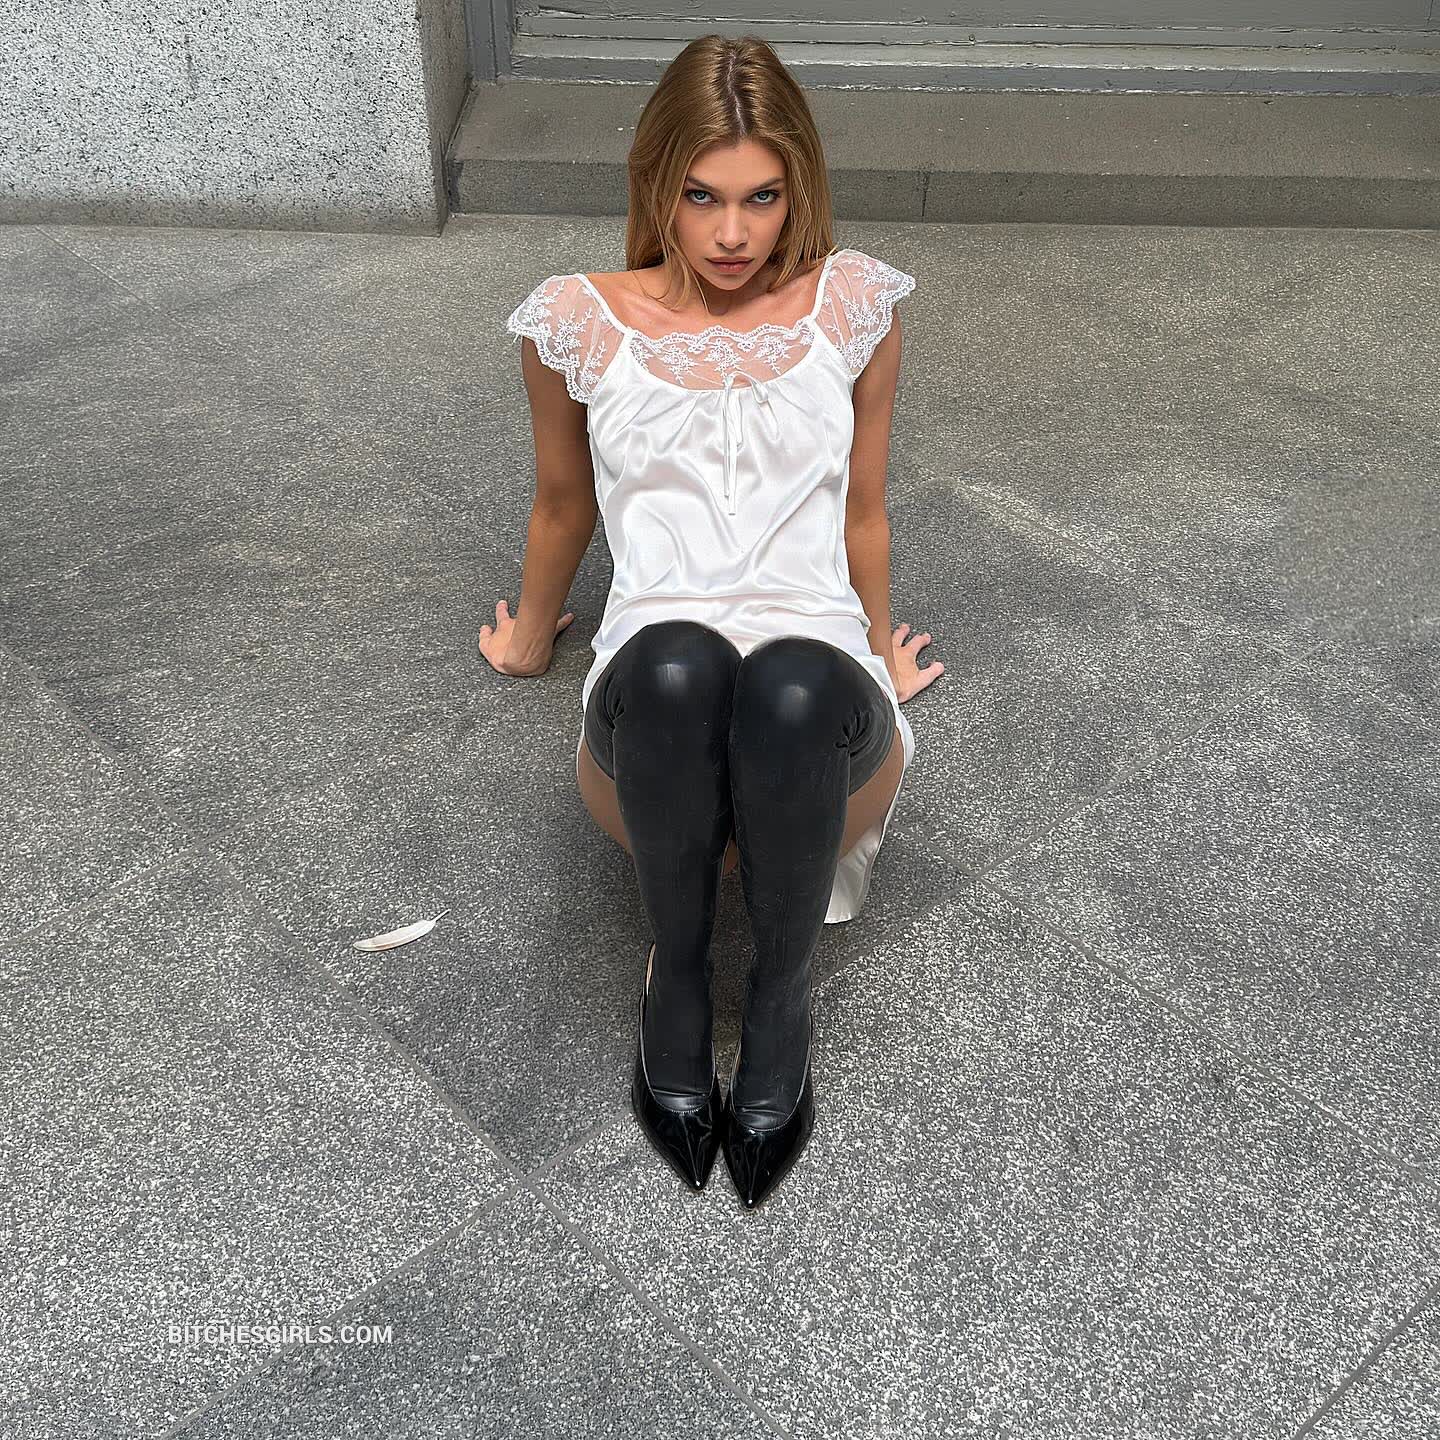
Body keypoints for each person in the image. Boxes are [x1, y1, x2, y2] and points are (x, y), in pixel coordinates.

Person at [482, 34, 944, 1210]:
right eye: (702, 196)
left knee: (792, 680)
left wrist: (878, 646)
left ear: (799, 189)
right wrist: (531, 636)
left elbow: (864, 507)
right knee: (679, 663)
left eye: (762, 197)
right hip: (651, 722)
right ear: (655, 184)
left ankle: (781, 1001)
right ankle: (676, 986)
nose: (734, 233)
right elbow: (561, 503)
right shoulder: (577, 319)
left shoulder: (852, 306)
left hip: (821, 715)